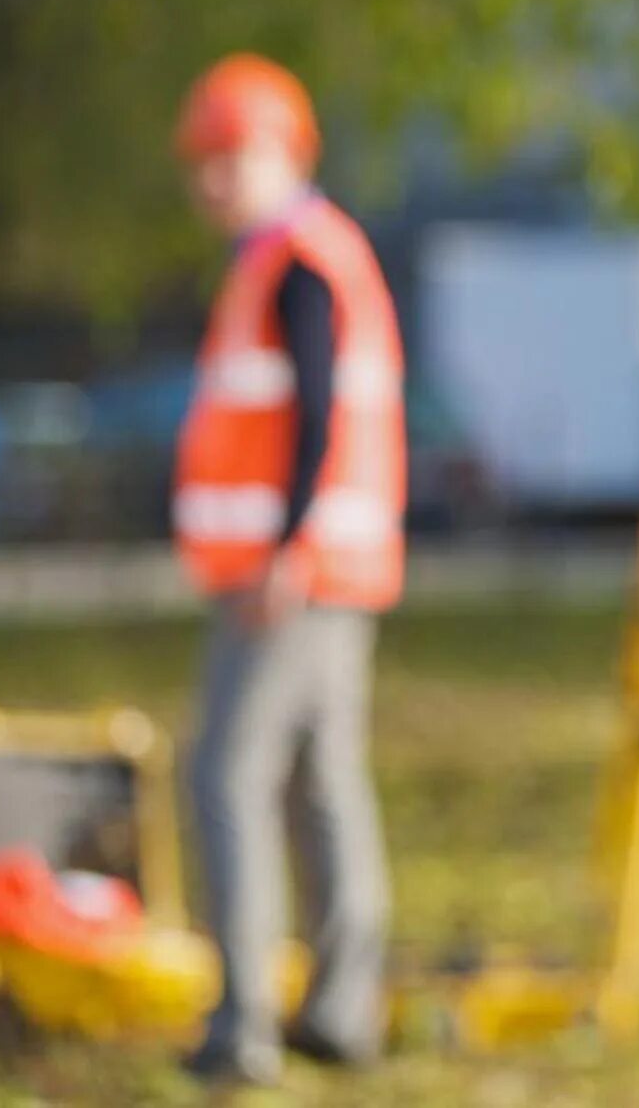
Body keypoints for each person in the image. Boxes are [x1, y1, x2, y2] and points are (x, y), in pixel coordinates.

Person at [171, 54, 404, 1084]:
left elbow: (320, 415)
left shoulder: (299, 260)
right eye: (203, 161)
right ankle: (343, 1009)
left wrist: (288, 548)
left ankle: (244, 1025)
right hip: (326, 571)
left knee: (226, 774)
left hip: (292, 577)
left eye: (234, 156)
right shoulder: (296, 255)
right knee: (321, 780)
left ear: (287, 153)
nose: (215, 178)